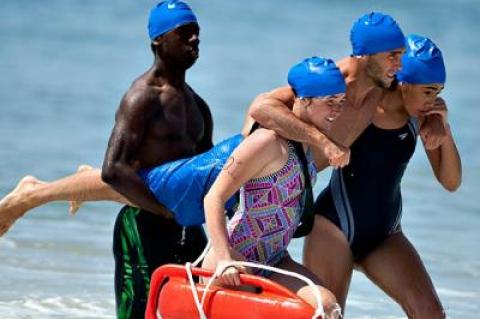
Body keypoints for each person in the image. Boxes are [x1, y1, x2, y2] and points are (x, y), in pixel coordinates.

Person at [0, 1, 215, 318]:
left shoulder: (199, 106)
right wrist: (161, 210)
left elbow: (204, 173)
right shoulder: (142, 97)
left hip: (185, 227)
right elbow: (114, 169)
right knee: (138, 312)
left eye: (197, 33)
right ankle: (39, 193)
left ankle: (72, 185)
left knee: (196, 309)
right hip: (142, 224)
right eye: (184, 33)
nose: (194, 40)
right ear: (158, 40)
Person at [303, 35, 461, 318]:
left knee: (431, 313)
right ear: (402, 82)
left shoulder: (422, 116)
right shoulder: (362, 106)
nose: (433, 99)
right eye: (428, 91)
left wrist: (444, 128)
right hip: (333, 229)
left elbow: (451, 182)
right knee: (329, 314)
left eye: (439, 91)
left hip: (385, 235)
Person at [201, 56, 347, 319]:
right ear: (304, 100)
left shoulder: (306, 142)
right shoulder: (267, 141)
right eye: (330, 102)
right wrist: (225, 259)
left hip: (275, 259)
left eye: (340, 102)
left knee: (328, 307)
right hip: (235, 257)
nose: (337, 110)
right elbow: (214, 197)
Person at [247, 12, 406, 171]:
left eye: (401, 56)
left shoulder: (383, 85)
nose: (400, 65)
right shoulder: (330, 82)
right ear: (365, 55)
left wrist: (431, 124)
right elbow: (260, 107)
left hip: (292, 187)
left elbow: (422, 91)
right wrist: (322, 141)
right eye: (392, 56)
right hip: (248, 177)